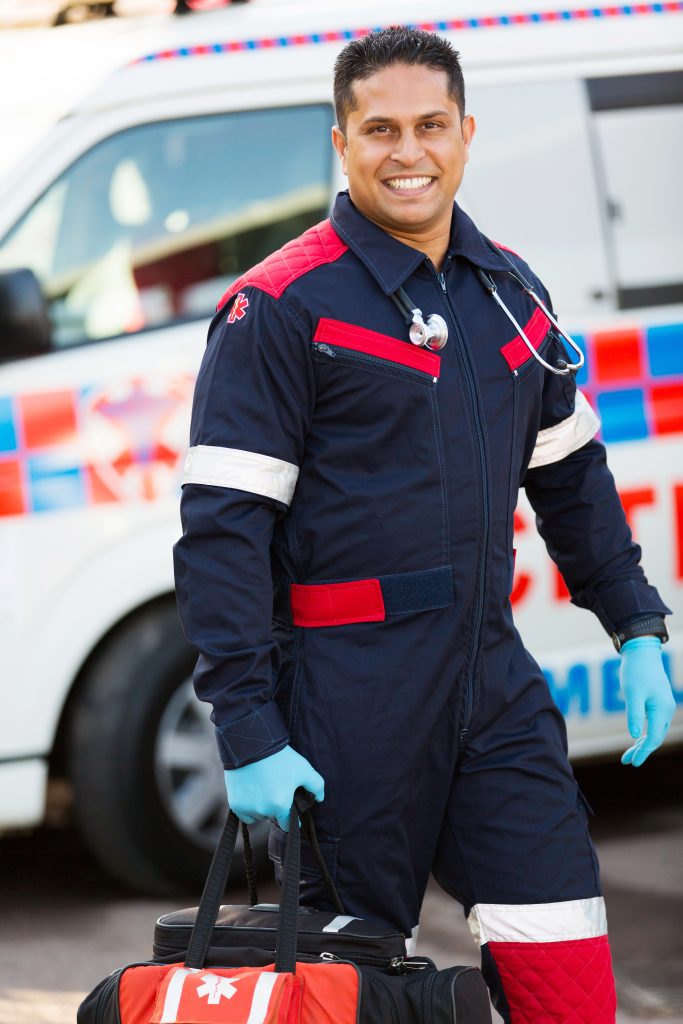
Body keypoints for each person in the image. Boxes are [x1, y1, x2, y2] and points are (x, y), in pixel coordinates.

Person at [173, 27, 675, 1023]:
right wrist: (246, 727)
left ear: (465, 133)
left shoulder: (509, 291)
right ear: (341, 141)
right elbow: (221, 533)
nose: (408, 151)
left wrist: (636, 628)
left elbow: (571, 479)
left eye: (429, 126)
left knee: (565, 980)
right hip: (341, 702)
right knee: (343, 997)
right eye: (380, 129)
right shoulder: (278, 307)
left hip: (489, 685)